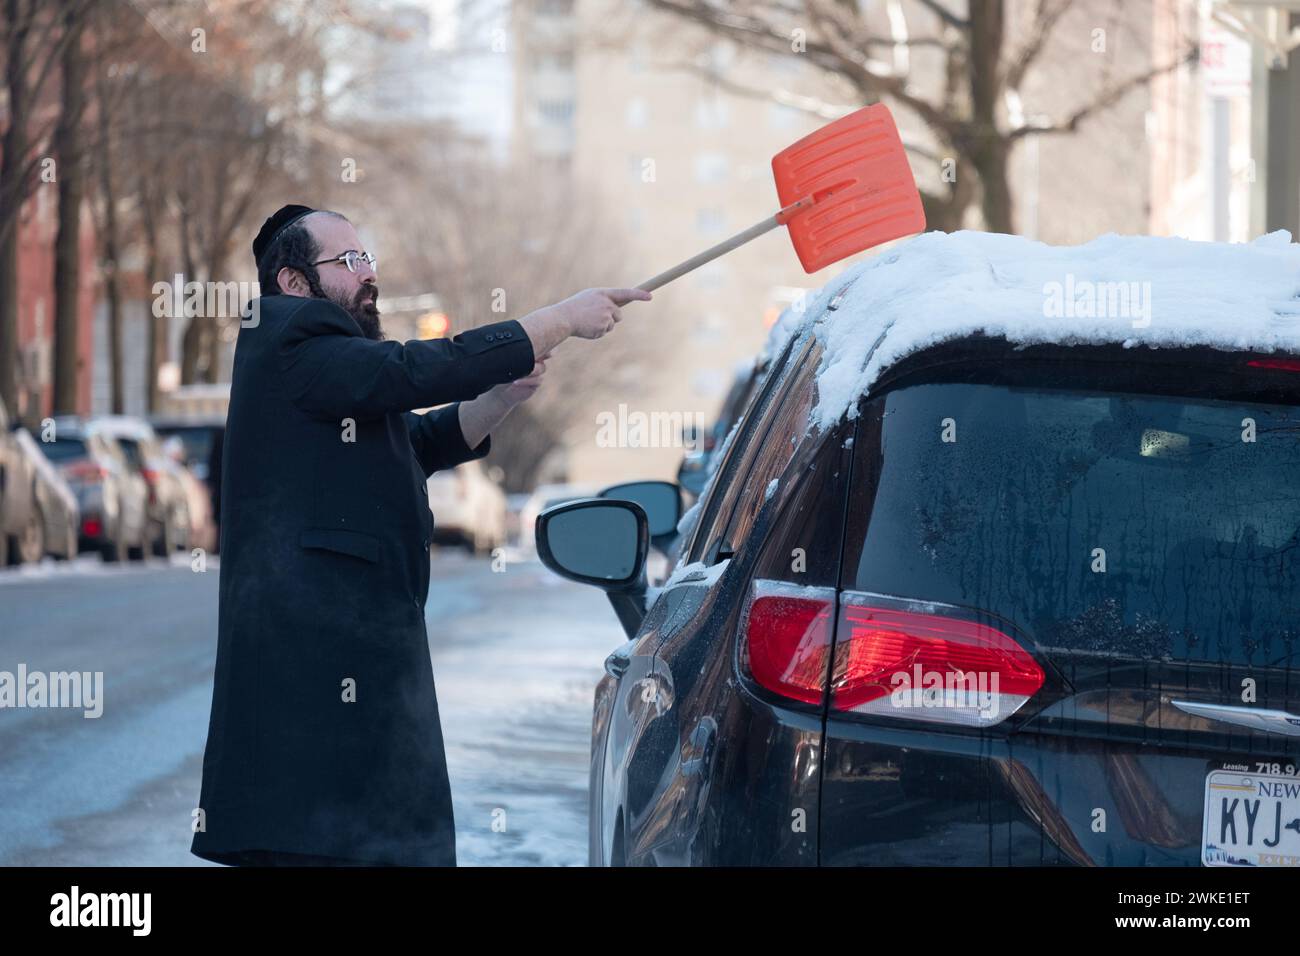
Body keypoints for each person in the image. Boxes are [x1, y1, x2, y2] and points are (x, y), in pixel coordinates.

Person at [190, 204, 650, 865]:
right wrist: (560, 319)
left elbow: (419, 440)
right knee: (322, 846)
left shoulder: (328, 370)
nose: (367, 271)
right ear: (294, 283)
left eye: (366, 255)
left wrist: (502, 395)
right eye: (347, 261)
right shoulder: (289, 342)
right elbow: (414, 371)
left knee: (372, 842)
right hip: (315, 674)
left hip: (355, 659)